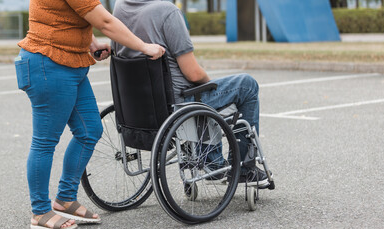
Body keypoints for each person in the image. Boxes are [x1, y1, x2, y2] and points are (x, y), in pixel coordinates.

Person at [15, 0, 165, 229]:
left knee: (90, 130)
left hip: (71, 63)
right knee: (45, 142)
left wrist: (91, 43)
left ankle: (65, 199)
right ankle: (40, 211)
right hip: (47, 63)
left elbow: (77, 16)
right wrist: (144, 47)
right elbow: (105, 21)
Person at [112, 0, 269, 186]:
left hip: (143, 105)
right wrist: (209, 85)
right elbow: (193, 73)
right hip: (178, 101)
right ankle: (244, 169)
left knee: (203, 93)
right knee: (246, 85)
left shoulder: (120, 7)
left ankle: (212, 161)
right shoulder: (167, 12)